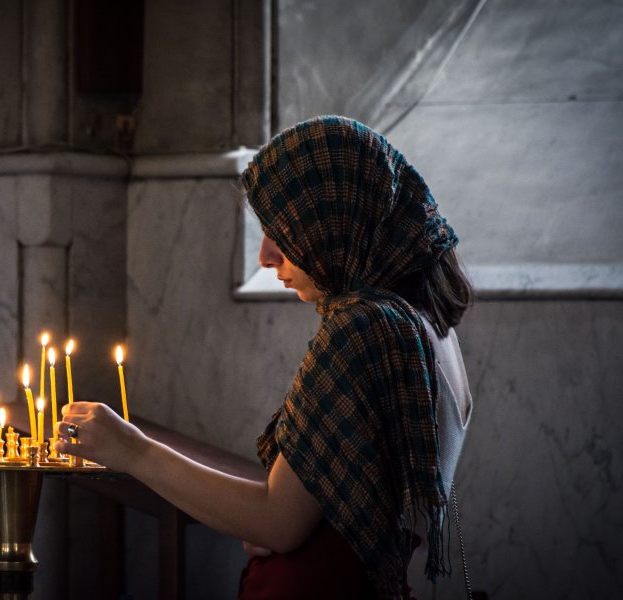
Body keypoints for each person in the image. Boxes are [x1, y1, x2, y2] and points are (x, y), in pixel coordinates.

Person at [56, 115, 473, 599]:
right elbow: (319, 512)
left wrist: (131, 449)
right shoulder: (432, 331)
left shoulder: (365, 328)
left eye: (282, 232)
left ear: (332, 222)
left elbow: (278, 523)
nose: (266, 257)